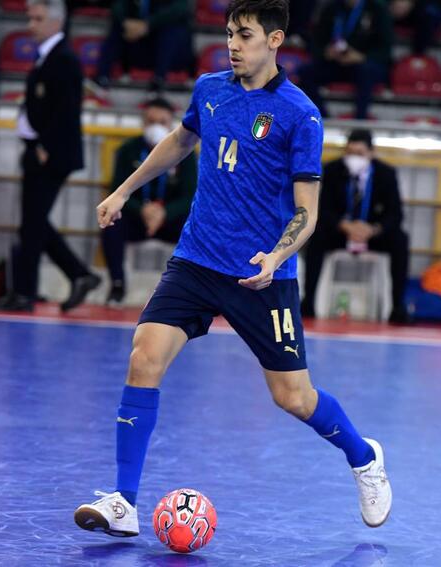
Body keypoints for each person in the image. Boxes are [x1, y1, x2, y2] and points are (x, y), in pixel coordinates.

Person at [73, 0, 392, 538]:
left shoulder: (300, 113)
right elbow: (180, 142)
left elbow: (307, 212)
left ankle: (364, 457)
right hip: (196, 260)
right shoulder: (209, 89)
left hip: (259, 274)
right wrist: (124, 191)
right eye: (228, 33)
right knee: (144, 358)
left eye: (244, 34)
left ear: (275, 40)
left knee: (293, 397)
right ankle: (124, 502)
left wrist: (276, 257)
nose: (233, 44)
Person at [0, 0, 100, 313]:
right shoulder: (47, 57)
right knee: (33, 222)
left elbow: (66, 109)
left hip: (50, 153)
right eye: (30, 18)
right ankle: (78, 274)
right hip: (40, 150)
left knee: (32, 223)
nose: (30, 25)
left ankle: (25, 292)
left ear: (55, 22)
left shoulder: (63, 59)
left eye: (37, 19)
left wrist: (44, 146)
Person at [301, 128, 410, 323]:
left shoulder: (386, 174)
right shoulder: (333, 170)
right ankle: (308, 302)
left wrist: (372, 230)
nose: (354, 158)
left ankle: (397, 307)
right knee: (316, 237)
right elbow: (324, 209)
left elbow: (395, 213)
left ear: (371, 153)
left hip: (372, 234)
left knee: (400, 240)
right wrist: (346, 226)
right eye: (350, 153)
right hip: (342, 232)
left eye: (359, 154)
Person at [100, 97, 197, 305]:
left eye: (162, 122)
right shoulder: (128, 150)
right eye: (150, 121)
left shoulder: (186, 153)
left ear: (171, 124)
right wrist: (143, 210)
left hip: (170, 219)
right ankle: (117, 285)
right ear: (143, 122)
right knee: (111, 223)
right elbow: (117, 189)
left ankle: (189, 291)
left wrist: (164, 213)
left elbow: (189, 195)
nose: (155, 127)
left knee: (197, 227)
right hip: (137, 218)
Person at [297, 0, 393, 120]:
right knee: (305, 71)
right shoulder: (331, 8)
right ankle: (323, 117)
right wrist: (326, 52)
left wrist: (361, 57)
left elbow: (385, 48)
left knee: (366, 71)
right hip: (335, 63)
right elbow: (316, 42)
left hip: (363, 64)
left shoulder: (377, 9)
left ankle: (360, 120)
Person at [94, 0, 193, 93]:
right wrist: (126, 23)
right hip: (138, 46)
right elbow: (118, 6)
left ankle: (159, 79)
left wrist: (148, 25)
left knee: (173, 30)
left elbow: (180, 9)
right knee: (117, 28)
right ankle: (102, 77)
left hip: (170, 55)